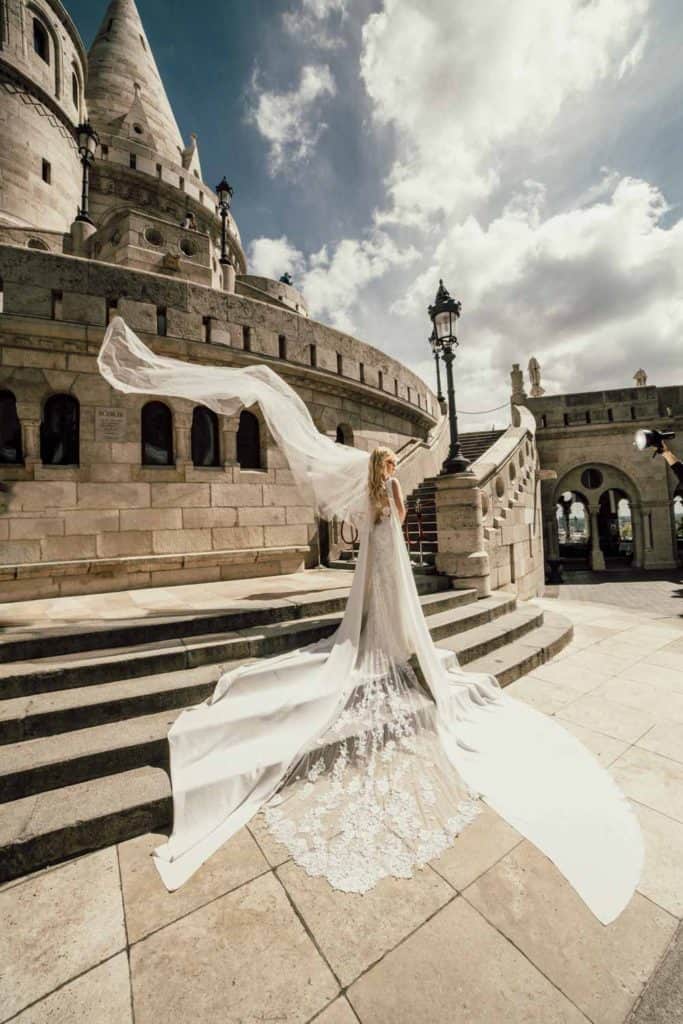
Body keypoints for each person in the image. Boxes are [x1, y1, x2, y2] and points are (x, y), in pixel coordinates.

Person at [97, 315, 644, 924]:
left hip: (372, 562)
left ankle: (377, 644)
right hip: (392, 558)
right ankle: (396, 647)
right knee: (397, 608)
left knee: (369, 614)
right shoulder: (390, 493)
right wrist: (395, 499)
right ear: (391, 466)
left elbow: (370, 518)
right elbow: (404, 516)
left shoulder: (365, 491)